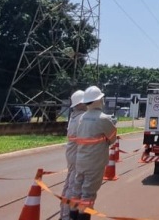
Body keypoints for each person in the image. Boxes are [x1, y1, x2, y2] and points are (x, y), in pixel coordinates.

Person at [69, 86, 117, 220]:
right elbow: (112, 138)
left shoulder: (81, 117)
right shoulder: (103, 119)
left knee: (76, 190)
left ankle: (73, 215)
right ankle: (83, 217)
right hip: (95, 162)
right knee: (88, 194)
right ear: (98, 100)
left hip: (81, 160)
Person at [60, 90, 86, 220]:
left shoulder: (75, 117)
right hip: (77, 156)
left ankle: (64, 214)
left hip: (72, 155)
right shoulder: (81, 118)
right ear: (80, 103)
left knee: (68, 186)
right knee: (73, 187)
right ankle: (67, 216)